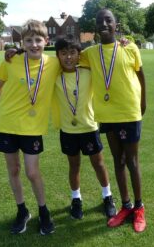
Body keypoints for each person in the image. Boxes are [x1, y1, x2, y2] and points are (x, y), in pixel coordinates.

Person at [0, 19, 60, 235]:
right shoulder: (11, 60)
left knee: (32, 172)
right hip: (8, 123)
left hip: (33, 127)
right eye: (29, 40)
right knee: (14, 170)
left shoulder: (53, 63)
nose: (34, 44)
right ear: (22, 42)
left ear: (46, 40)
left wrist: (123, 43)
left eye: (38, 40)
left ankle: (44, 212)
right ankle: (22, 210)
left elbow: (76, 59)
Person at [79, 9, 147, 233]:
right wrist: (18, 51)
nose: (104, 24)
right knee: (117, 160)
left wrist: (143, 102)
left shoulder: (129, 47)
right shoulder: (89, 53)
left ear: (116, 25)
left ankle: (139, 207)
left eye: (108, 20)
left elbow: (140, 75)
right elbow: (65, 55)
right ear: (96, 27)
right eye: (100, 21)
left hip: (128, 112)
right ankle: (126, 206)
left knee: (132, 161)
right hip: (107, 115)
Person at [52, 38, 116, 220]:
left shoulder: (88, 73)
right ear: (57, 55)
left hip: (89, 127)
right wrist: (17, 52)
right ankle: (76, 199)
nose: (68, 57)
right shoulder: (54, 76)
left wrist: (125, 41)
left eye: (72, 52)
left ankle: (107, 197)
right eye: (63, 53)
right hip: (68, 131)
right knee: (74, 166)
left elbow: (106, 60)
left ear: (79, 55)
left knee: (99, 163)